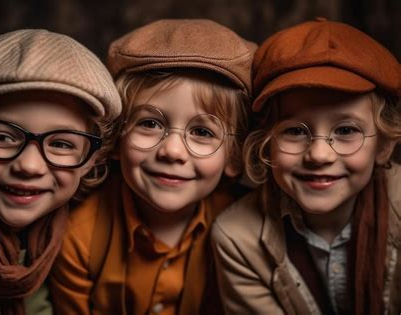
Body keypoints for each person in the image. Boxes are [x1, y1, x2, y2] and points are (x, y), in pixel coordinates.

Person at [49, 19, 256, 314]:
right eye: (149, 123)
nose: (172, 151)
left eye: (202, 132)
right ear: (115, 139)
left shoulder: (246, 229)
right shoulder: (78, 236)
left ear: (234, 156)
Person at [211, 18, 401, 315]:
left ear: (384, 145)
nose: (319, 155)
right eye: (295, 131)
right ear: (265, 142)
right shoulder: (237, 238)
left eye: (346, 130)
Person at [0, 29, 121, 315]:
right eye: (3, 137)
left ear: (89, 159)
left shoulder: (47, 232)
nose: (29, 166)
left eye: (61, 143)